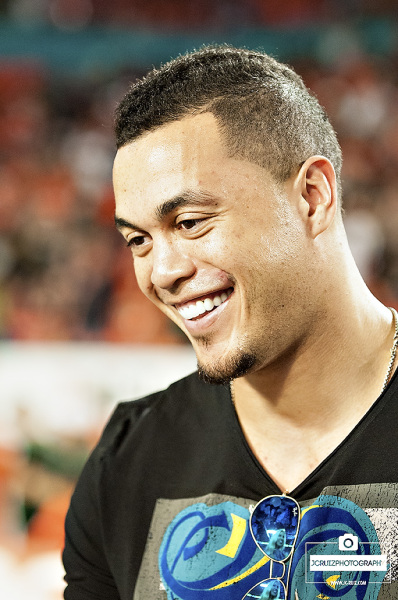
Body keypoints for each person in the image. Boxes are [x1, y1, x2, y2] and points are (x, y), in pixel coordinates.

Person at [63, 45, 398, 600]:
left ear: (312, 198)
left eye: (190, 222)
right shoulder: (129, 460)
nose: (162, 272)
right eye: (138, 240)